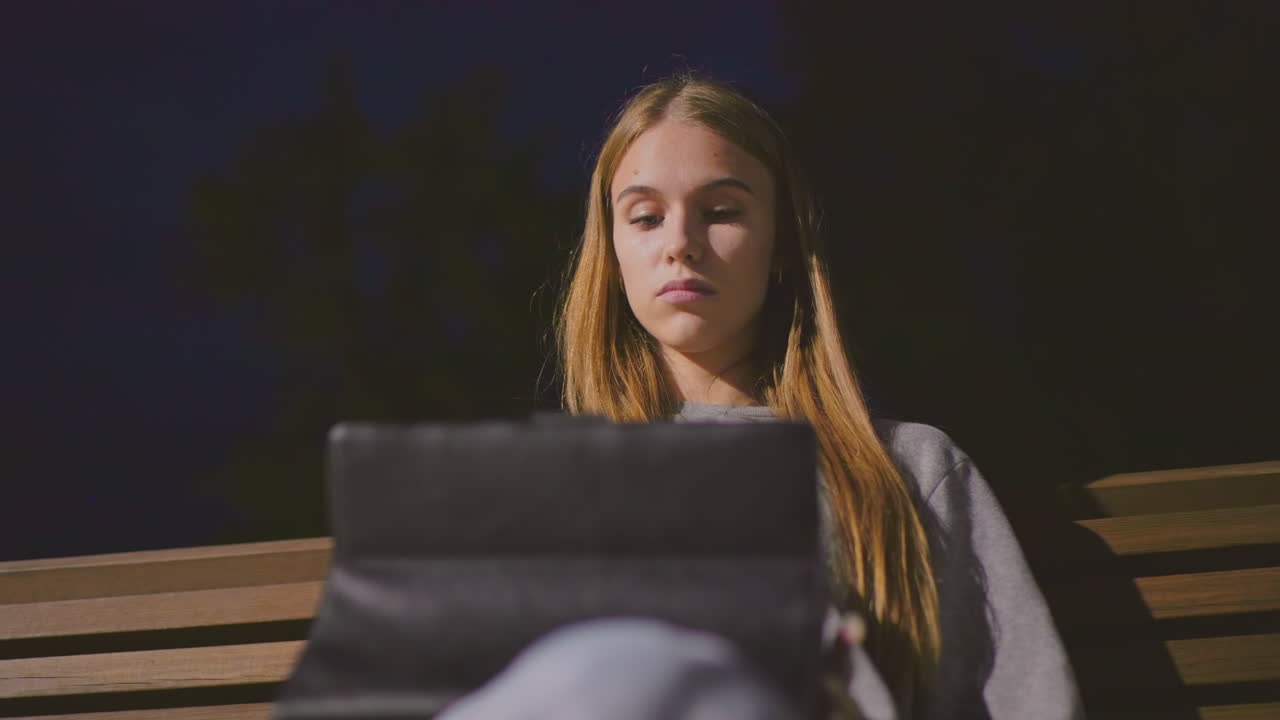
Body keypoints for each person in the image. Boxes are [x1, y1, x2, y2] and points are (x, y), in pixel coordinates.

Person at [545, 72, 1084, 719]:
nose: (680, 245)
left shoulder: (907, 470)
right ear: (614, 253)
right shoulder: (565, 485)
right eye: (646, 217)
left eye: (721, 212)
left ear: (779, 248)